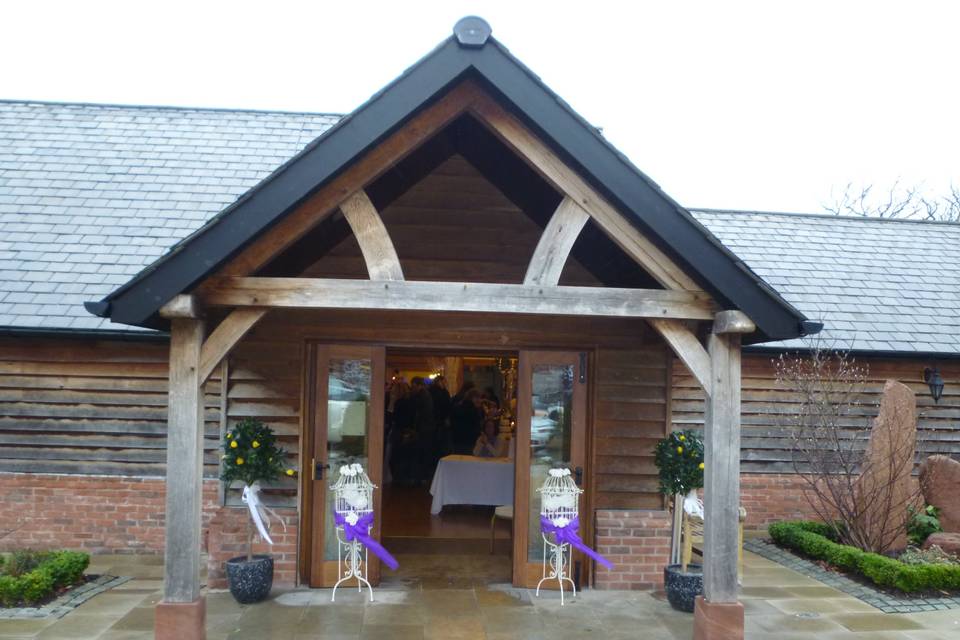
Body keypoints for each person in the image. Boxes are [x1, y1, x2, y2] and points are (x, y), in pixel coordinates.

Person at [450, 388, 483, 455]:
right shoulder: (472, 410)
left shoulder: (459, 406)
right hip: (469, 441)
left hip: (457, 440)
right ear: (472, 398)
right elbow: (475, 426)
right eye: (477, 398)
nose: (479, 400)